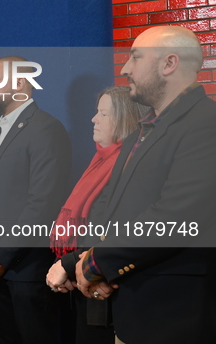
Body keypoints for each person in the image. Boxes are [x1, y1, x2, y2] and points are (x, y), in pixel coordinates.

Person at [75, 25, 216, 343]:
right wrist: (85, 259)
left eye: (135, 58)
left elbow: (175, 217)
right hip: (132, 310)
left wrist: (95, 263)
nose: (125, 69)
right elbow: (111, 207)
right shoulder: (141, 131)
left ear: (169, 64)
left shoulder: (207, 124)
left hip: (175, 316)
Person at [0, 56, 72, 344]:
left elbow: (43, 203)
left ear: (19, 83)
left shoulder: (46, 129)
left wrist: (2, 257)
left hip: (28, 271)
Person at [46, 87, 146, 343]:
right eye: (96, 112)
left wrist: (72, 267)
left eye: (103, 113)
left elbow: (114, 231)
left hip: (113, 291)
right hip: (87, 283)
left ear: (124, 119)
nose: (94, 119)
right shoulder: (99, 161)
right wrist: (74, 271)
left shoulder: (129, 166)